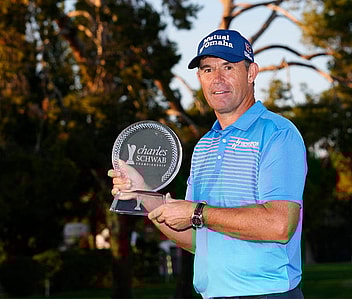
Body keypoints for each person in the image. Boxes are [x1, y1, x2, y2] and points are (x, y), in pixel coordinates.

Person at [108, 29, 307, 298]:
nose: (218, 79)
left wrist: (196, 212)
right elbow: (195, 240)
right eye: (208, 69)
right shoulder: (205, 145)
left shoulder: (278, 134)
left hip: (267, 293)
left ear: (251, 73)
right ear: (200, 77)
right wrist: (143, 193)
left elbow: (280, 225)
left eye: (228, 66)